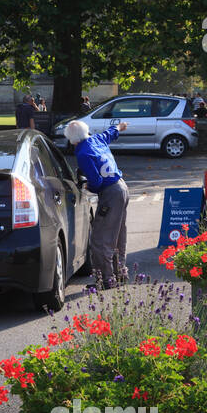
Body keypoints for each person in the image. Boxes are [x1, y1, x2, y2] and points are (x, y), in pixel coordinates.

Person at [66, 118, 130, 289]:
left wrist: (87, 186)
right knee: (117, 235)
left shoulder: (83, 154)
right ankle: (120, 273)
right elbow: (110, 133)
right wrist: (119, 126)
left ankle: (106, 280)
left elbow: (96, 181)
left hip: (110, 194)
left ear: (72, 140)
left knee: (100, 239)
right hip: (122, 187)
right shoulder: (96, 139)